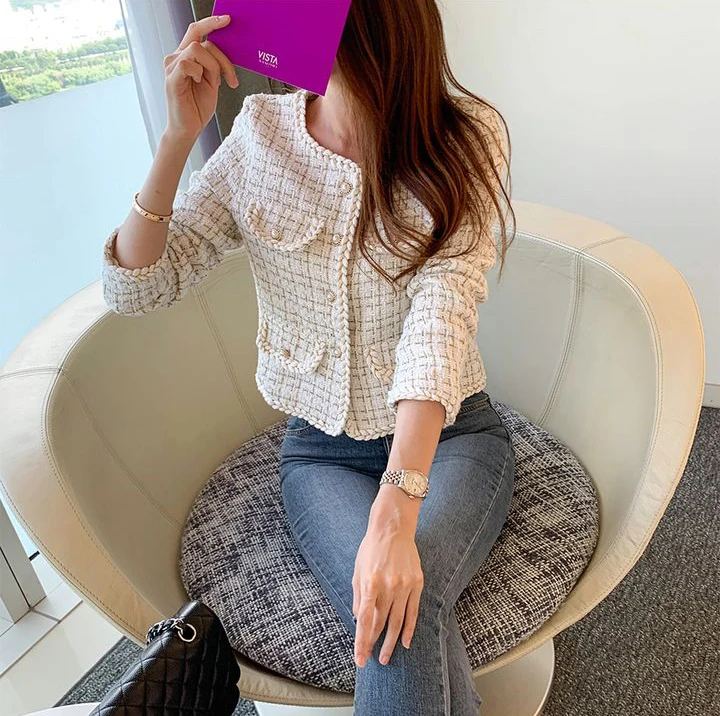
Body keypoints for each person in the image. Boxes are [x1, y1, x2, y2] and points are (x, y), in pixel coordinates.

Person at [101, 2, 516, 714]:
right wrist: (176, 139)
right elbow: (136, 287)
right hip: (321, 455)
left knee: (395, 612)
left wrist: (395, 513)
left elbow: (440, 321)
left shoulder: (466, 137)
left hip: (452, 440)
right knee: (393, 608)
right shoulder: (259, 138)